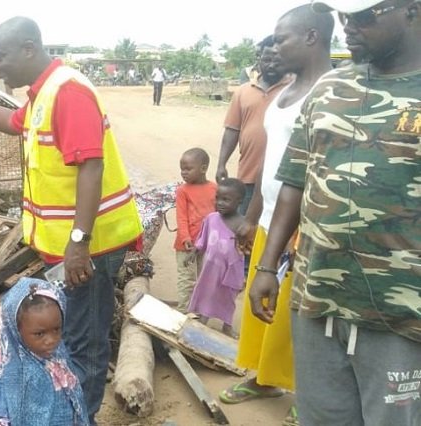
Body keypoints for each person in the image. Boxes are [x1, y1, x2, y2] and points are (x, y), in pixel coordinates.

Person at [0, 17, 143, 422]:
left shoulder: (68, 92)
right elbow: (14, 123)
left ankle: (83, 416)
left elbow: (91, 168)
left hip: (89, 247)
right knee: (72, 336)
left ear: (28, 49)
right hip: (68, 249)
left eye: (1, 57)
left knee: (85, 342)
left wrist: (79, 242)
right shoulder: (44, 93)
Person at [249, 0, 421, 424]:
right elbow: (294, 182)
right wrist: (267, 267)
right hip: (317, 300)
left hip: (401, 313)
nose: (348, 27)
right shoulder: (327, 90)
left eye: (364, 16)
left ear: (411, 11)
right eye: (344, 17)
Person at [221, 7, 335, 425]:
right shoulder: (286, 91)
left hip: (303, 225)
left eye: (282, 38)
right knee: (261, 304)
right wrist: (252, 215)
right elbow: (270, 165)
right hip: (270, 215)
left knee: (296, 315)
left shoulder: (329, 91)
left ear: (311, 37)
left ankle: (310, 395)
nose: (274, 46)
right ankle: (265, 377)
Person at [0, 278, 89, 426]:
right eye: (39, 334)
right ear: (16, 331)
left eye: (56, 329)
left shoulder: (57, 355)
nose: (51, 340)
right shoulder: (23, 376)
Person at [215, 36, 289, 215]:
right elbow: (232, 130)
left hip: (283, 179)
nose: (271, 65)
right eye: (267, 59)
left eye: (277, 60)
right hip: (248, 177)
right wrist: (221, 163)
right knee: (245, 229)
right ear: (259, 59)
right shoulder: (242, 92)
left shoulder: (293, 91)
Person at [186, 178, 247, 337]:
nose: (220, 202)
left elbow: (249, 249)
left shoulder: (244, 225)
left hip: (231, 269)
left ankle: (227, 325)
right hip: (211, 267)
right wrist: (194, 252)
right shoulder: (211, 218)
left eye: (226, 200)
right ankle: (203, 319)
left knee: (228, 297)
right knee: (207, 292)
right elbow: (202, 240)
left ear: (239, 201)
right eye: (218, 198)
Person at [174, 148, 217, 313]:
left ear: (204, 168)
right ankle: (184, 313)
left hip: (206, 244)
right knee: (187, 279)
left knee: (203, 279)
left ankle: (197, 311)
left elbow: (218, 216)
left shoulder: (214, 189)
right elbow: (181, 217)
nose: (183, 172)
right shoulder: (182, 191)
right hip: (187, 245)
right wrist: (186, 238)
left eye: (188, 169)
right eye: (181, 169)